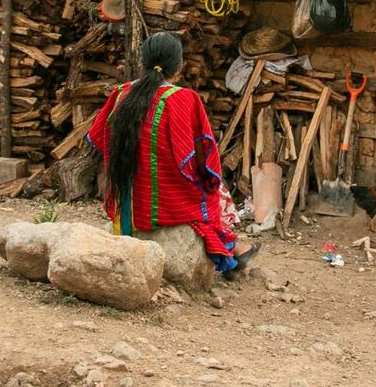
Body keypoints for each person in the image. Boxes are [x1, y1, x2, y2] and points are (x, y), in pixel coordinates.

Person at [87, 32, 259, 280]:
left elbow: (98, 142)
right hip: (167, 205)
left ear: (143, 63)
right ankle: (231, 250)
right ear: (178, 67)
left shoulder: (121, 93)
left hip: (125, 205)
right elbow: (202, 159)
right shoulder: (184, 99)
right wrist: (209, 182)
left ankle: (232, 253)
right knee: (214, 192)